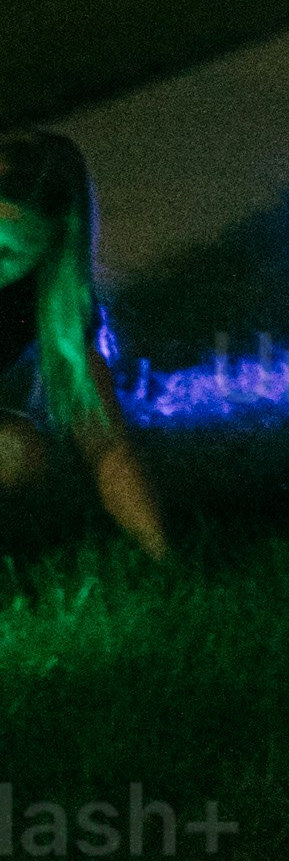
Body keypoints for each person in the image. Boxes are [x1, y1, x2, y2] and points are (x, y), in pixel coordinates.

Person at [0, 131, 170, 565]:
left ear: (49, 251)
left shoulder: (52, 308)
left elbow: (107, 449)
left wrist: (161, 558)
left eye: (9, 251)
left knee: (17, 451)